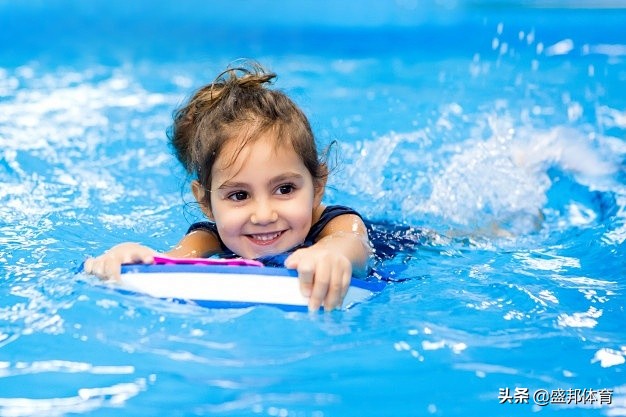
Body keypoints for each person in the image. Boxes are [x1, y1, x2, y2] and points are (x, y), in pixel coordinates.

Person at [84, 61, 372, 311]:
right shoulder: (211, 238)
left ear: (317, 186)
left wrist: (331, 255)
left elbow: (352, 244)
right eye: (239, 195)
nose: (263, 215)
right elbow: (172, 261)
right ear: (206, 202)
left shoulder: (337, 224)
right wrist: (128, 258)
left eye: (284, 189)